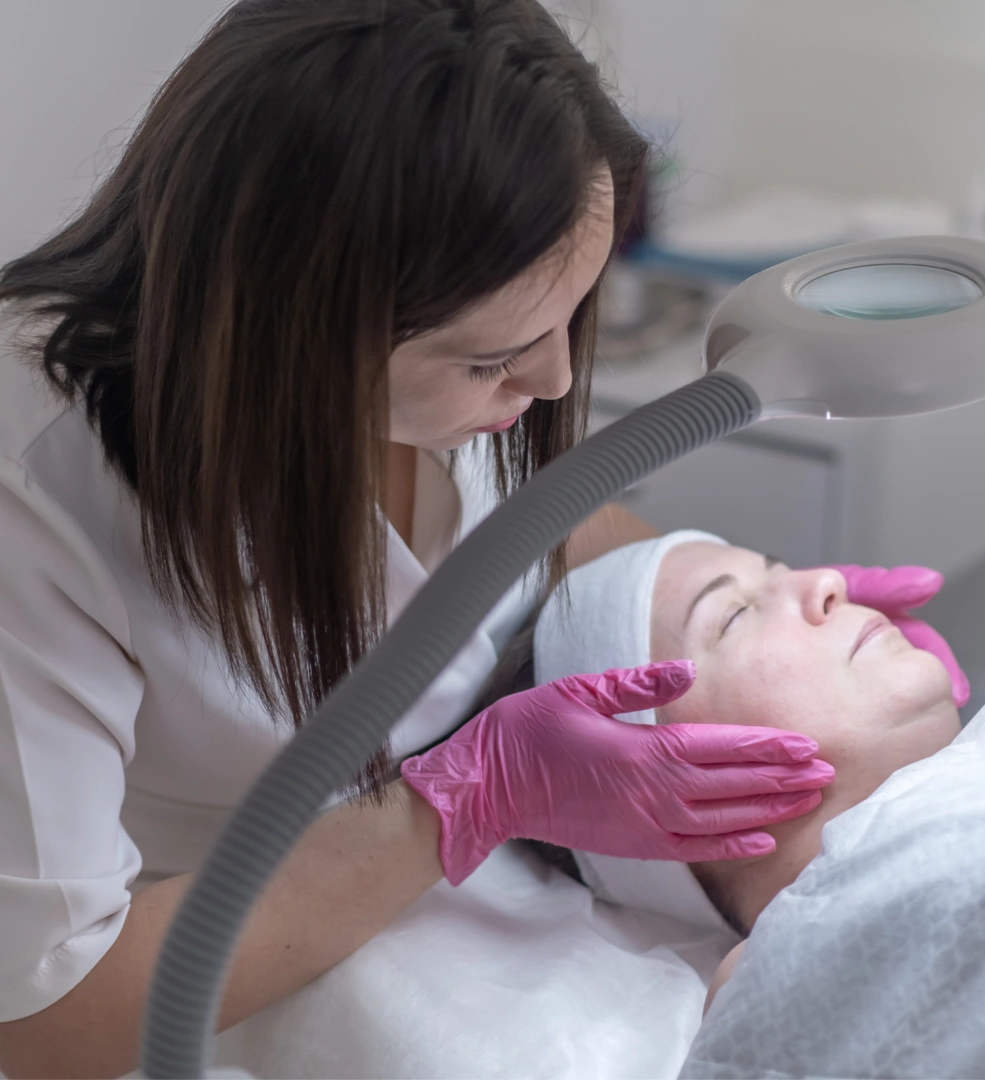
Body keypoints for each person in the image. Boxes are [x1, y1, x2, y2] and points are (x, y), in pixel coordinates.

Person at [0, 4, 836, 1076]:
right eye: (494, 360)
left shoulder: (445, 376)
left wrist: (742, 588)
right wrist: (466, 798)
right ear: (295, 323)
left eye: (566, 322)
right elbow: (39, 1016)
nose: (553, 386)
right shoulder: (42, 491)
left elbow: (550, 531)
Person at [530, 531, 961, 971]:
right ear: (672, 791)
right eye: (734, 615)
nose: (828, 580)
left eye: (784, 571)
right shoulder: (786, 995)